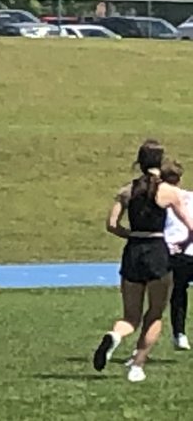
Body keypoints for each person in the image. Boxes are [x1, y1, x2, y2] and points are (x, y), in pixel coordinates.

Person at [92, 141, 193, 382]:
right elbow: (191, 226)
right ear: (161, 161)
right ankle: (137, 365)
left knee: (130, 317)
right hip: (157, 251)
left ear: (139, 161)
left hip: (133, 252)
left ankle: (115, 336)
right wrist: (184, 243)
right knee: (155, 314)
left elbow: (112, 225)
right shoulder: (169, 192)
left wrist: (131, 235)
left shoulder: (127, 190)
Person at [161, 160, 193, 351]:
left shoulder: (160, 200)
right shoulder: (190, 197)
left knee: (177, 292)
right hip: (189, 249)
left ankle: (179, 334)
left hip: (172, 251)